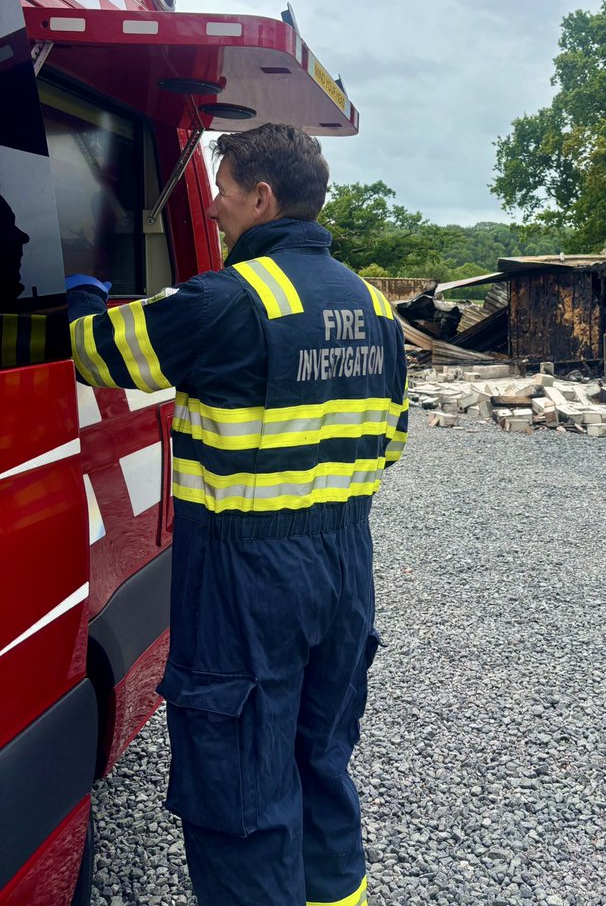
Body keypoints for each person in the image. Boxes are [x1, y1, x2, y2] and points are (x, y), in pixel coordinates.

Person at [68, 123, 408, 906]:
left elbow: (95, 351)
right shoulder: (374, 307)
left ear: (262, 196)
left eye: (221, 190)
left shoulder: (229, 301)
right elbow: (390, 446)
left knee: (240, 798)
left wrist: (83, 282)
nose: (213, 207)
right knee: (319, 765)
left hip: (247, 578)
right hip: (344, 567)